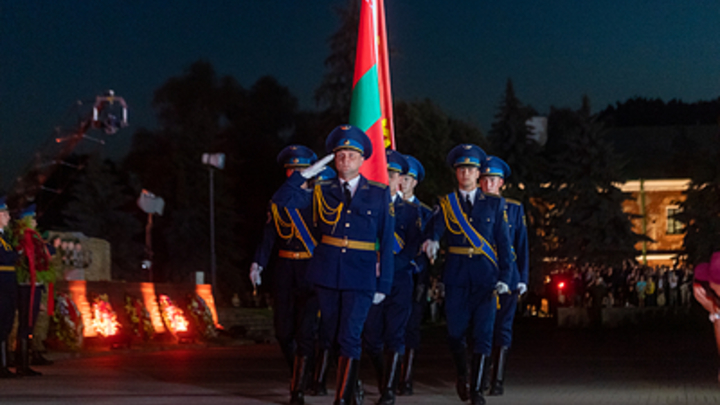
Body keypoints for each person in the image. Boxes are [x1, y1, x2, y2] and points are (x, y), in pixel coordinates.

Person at [271, 125, 394, 405]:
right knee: (335, 338)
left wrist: (383, 283)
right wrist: (305, 175)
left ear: (362, 160)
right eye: (340, 154)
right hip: (327, 275)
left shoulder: (378, 192)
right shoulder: (320, 190)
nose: (346, 159)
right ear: (333, 160)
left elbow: (385, 242)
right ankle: (350, 395)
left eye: (352, 154)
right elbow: (281, 200)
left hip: (361, 276)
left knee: (350, 336)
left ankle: (341, 400)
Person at [422, 144, 513, 405]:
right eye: (461, 169)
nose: (466, 174)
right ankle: (463, 373)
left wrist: (506, 277)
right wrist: (433, 240)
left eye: (471, 170)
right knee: (455, 333)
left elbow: (504, 245)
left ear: (478, 174)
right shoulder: (447, 203)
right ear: (456, 173)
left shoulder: (494, 205)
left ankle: (476, 390)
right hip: (457, 276)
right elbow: (436, 228)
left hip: (486, 278)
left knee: (484, 334)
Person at [249, 144, 323, 405]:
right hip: (283, 270)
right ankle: (302, 374)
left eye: (300, 170)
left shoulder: (319, 200)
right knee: (283, 332)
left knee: (305, 332)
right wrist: (258, 264)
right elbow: (268, 237)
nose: (295, 174)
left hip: (310, 269)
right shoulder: (278, 202)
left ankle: (298, 388)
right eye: (291, 170)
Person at [362, 150, 421, 405]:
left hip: (399, 278)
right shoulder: (366, 204)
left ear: (400, 179)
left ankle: (388, 391)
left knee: (395, 334)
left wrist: (387, 266)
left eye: (394, 173)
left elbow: (411, 247)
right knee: (372, 337)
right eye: (385, 172)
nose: (389, 177)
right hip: (369, 277)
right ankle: (384, 377)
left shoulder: (410, 211)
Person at [478, 156, 529, 396]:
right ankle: (481, 376)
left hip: (508, 277)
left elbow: (521, 246)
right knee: (480, 328)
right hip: (481, 276)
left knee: (503, 328)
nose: (489, 184)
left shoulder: (514, 209)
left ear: (502, 184)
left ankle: (497, 378)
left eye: (493, 180)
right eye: (485, 179)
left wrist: (522, 278)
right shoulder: (472, 206)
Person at [397, 154, 433, 396]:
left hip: (413, 277)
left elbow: (429, 250)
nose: (403, 182)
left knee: (410, 329)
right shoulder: (384, 206)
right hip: (388, 275)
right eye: (400, 177)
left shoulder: (425, 213)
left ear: (415, 182)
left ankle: (405, 377)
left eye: (408, 178)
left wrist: (424, 281)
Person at [13, 204, 53, 377]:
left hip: (33, 285)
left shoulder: (32, 237)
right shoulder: (25, 237)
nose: (36, 222)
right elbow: (34, 257)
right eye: (33, 218)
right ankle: (21, 363)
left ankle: (24, 361)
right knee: (26, 321)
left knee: (30, 323)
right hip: (27, 285)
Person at [0, 197, 20, 378]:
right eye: (5, 214)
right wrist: (15, 255)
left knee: (6, 322)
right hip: (1, 283)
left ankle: (4, 365)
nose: (8, 217)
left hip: (8, 283)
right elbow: (5, 258)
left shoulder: (4, 237)